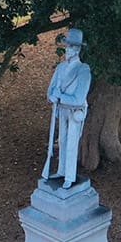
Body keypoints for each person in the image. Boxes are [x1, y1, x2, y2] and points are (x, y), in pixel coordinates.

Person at [45, 28, 92, 189]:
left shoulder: (83, 70)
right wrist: (52, 96)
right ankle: (61, 170)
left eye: (70, 47)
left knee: (72, 143)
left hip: (75, 112)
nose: (67, 50)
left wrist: (60, 97)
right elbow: (51, 89)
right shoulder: (61, 67)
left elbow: (79, 98)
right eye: (67, 46)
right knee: (62, 141)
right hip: (62, 110)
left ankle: (70, 176)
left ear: (77, 49)